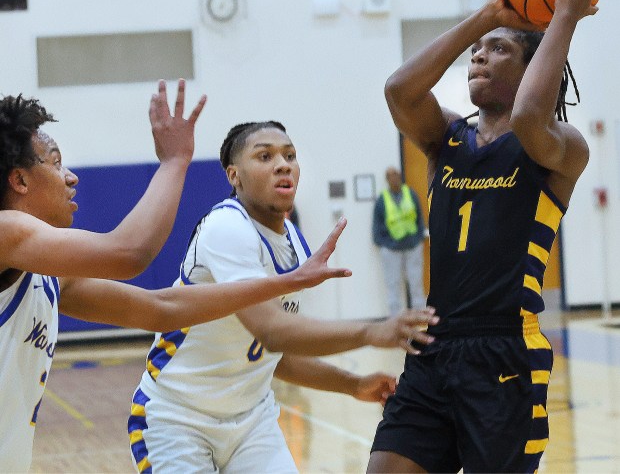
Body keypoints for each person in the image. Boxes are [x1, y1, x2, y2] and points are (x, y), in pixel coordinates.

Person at [0, 82, 352, 473]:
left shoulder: (51, 277)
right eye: (54, 162)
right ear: (20, 180)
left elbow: (161, 309)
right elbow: (129, 253)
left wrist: (287, 281)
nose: (70, 177)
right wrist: (174, 161)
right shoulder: (5, 232)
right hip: (180, 425)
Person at [367, 0, 604, 473]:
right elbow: (399, 91)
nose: (479, 54)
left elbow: (527, 118)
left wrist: (564, 16)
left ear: (533, 68)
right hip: (434, 345)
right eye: (479, 48)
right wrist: (487, 17)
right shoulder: (445, 139)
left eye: (498, 49)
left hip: (505, 352)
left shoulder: (561, 147)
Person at [128, 120, 440, 474]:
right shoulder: (226, 228)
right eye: (265, 156)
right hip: (179, 419)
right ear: (235, 176)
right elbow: (272, 331)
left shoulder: (292, 239)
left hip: (251, 422)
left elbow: (276, 355)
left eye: (289, 155)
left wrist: (352, 384)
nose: (283, 164)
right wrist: (372, 331)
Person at [373, 166, 427, 315]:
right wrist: (387, 244)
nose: (394, 178)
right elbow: (376, 230)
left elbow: (419, 219)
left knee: (416, 285)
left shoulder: (411, 194)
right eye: (390, 175)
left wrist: (418, 239)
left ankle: (421, 320)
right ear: (387, 179)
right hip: (391, 251)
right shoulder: (381, 200)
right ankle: (395, 323)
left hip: (413, 247)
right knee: (393, 286)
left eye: (396, 174)